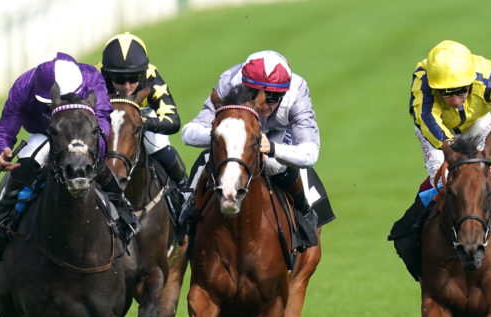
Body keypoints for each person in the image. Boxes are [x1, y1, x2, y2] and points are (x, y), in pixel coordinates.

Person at [388, 40, 491, 281]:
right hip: (440, 133)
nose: (455, 101)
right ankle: (413, 243)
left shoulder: (489, 78)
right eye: (446, 93)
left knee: (480, 176)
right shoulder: (424, 79)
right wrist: (453, 149)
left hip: (477, 125)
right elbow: (426, 119)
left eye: (461, 92)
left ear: (471, 83)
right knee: (444, 179)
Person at [0, 51, 135, 260]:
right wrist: (1, 149)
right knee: (27, 163)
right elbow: (6, 126)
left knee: (96, 163)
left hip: (83, 134)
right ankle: (2, 220)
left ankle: (122, 211)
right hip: (44, 134)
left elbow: (101, 120)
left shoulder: (91, 78)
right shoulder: (24, 84)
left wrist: (90, 148)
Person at [181, 49, 334, 251]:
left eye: (273, 98)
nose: (264, 105)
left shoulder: (297, 93)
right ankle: (189, 208)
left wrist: (273, 148)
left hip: (276, 135)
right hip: (238, 131)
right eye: (255, 96)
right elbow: (188, 132)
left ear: (284, 93)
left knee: (272, 163)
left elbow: (310, 153)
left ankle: (304, 211)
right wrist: (222, 135)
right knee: (210, 155)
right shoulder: (229, 82)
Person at [100, 32, 188, 193]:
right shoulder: (96, 79)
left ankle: (184, 190)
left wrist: (142, 122)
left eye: (133, 78)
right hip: (108, 119)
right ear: (107, 74)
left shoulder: (152, 78)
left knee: (157, 146)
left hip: (141, 115)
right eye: (119, 79)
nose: (127, 86)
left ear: (142, 73)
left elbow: (173, 120)